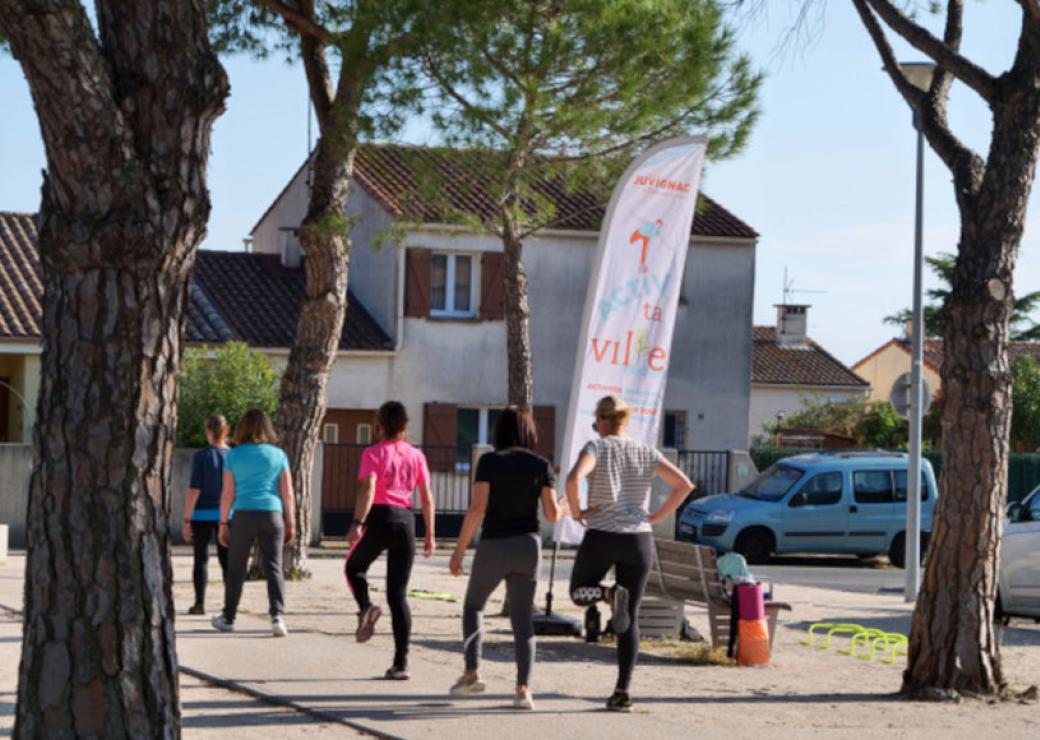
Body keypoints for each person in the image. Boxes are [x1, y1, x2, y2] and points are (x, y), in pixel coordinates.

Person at [566, 395, 693, 712]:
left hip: (603, 534)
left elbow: (573, 478)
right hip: (639, 538)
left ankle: (608, 594)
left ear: (604, 420)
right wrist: (657, 516)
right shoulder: (646, 451)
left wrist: (577, 509)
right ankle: (622, 691)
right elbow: (684, 485)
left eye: (596, 421)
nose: (596, 427)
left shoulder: (598, 447)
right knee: (630, 619)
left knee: (580, 594)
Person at [448, 406, 564, 710]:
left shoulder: (489, 461)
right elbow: (552, 514)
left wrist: (459, 550)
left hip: (494, 545)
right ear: (529, 431)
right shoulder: (541, 464)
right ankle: (523, 690)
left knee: (474, 606)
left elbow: (477, 508)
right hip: (528, 546)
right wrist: (563, 504)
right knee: (523, 622)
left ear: (499, 430)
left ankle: (472, 673)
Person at [346, 401, 435, 680]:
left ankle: (366, 607)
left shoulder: (373, 453)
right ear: (406, 427)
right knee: (398, 595)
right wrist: (430, 534)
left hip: (380, 518)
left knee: (353, 568)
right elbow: (428, 498)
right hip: (407, 522)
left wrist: (358, 523)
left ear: (380, 426)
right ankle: (401, 663)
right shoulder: (416, 455)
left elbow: (370, 488)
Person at [211, 409, 295, 637]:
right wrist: (291, 522)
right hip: (272, 514)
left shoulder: (234, 456)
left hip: (243, 514)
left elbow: (227, 494)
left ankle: (228, 618)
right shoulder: (278, 455)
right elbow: (287, 493)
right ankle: (277, 617)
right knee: (274, 567)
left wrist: (222, 523)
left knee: (236, 569)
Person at [182, 414, 231, 615]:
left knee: (200, 559)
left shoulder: (201, 456)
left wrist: (186, 520)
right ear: (226, 431)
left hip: (201, 514)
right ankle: (229, 604)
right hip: (226, 515)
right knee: (226, 560)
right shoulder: (233, 456)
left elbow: (194, 490)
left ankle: (199, 603)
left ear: (208, 431)